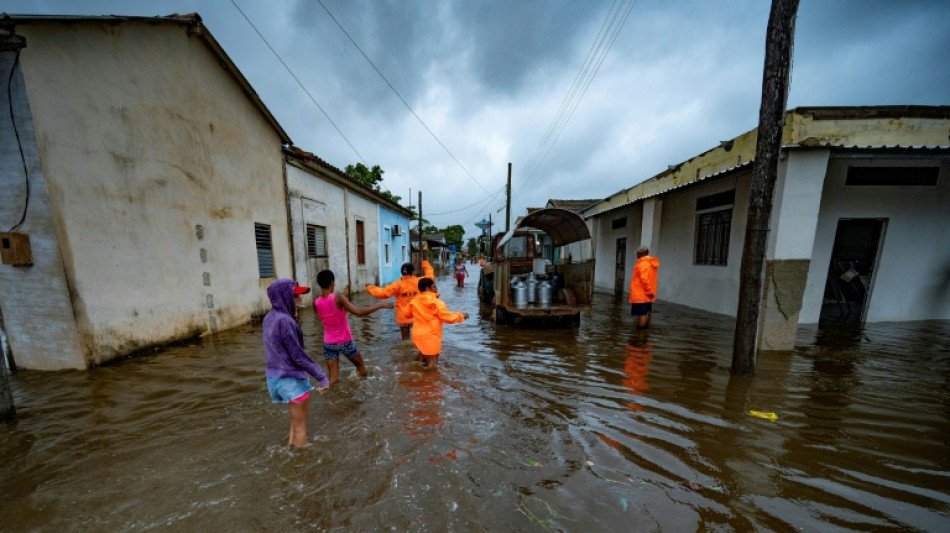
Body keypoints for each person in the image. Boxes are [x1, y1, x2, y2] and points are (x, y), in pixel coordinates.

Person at [263, 278, 329, 446]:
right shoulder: (285, 321)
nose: (299, 299)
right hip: (290, 380)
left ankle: (290, 449)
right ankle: (302, 459)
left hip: (274, 379)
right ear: (284, 297)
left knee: (295, 423)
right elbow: (298, 355)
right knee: (301, 427)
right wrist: (321, 377)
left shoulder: (269, 318)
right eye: (295, 296)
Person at [314, 269, 393, 385]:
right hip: (344, 341)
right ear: (332, 283)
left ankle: (329, 393)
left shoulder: (316, 302)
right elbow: (358, 312)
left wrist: (345, 298)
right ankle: (364, 389)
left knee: (333, 378)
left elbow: (333, 316)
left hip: (328, 344)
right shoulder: (338, 298)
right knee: (360, 366)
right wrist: (380, 305)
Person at [405, 277, 468, 369]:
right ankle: (428, 377)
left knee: (421, 357)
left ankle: (414, 374)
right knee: (432, 362)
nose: (436, 288)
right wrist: (461, 315)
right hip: (430, 336)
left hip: (417, 335)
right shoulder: (436, 302)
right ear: (427, 288)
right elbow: (448, 318)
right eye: (434, 287)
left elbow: (406, 314)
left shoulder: (414, 301)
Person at [365, 260, 435, 340]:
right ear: (412, 272)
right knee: (418, 339)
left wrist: (370, 288)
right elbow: (430, 277)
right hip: (416, 315)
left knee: (405, 340)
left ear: (402, 272)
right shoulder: (419, 282)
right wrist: (425, 264)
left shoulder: (397, 285)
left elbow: (382, 293)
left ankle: (405, 348)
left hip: (403, 316)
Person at [629, 246, 660, 329]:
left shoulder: (643, 264)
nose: (636, 255)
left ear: (641, 253)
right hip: (647, 294)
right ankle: (645, 331)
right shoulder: (651, 263)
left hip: (641, 295)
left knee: (641, 313)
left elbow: (644, 279)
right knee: (646, 312)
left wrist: (647, 292)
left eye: (637, 253)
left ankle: (640, 331)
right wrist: (649, 293)